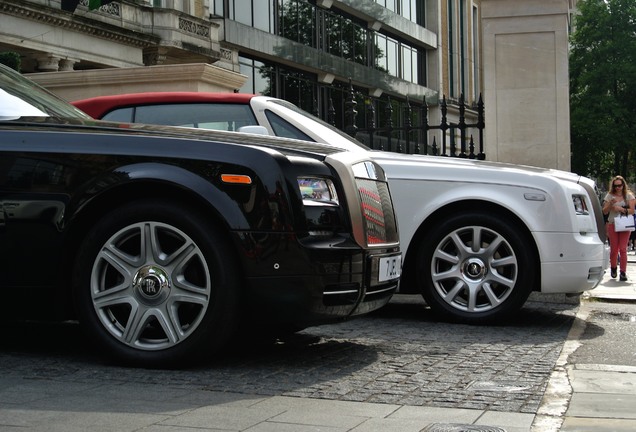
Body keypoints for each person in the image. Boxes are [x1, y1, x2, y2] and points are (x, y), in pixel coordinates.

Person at [602, 175, 636, 281]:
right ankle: (613, 267)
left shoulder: (629, 196)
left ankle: (623, 272)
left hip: (625, 225)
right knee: (614, 249)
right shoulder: (609, 196)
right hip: (613, 224)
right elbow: (604, 211)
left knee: (623, 249)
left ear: (623, 185)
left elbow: (632, 210)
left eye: (620, 185)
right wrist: (610, 204)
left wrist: (620, 209)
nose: (618, 188)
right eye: (615, 186)